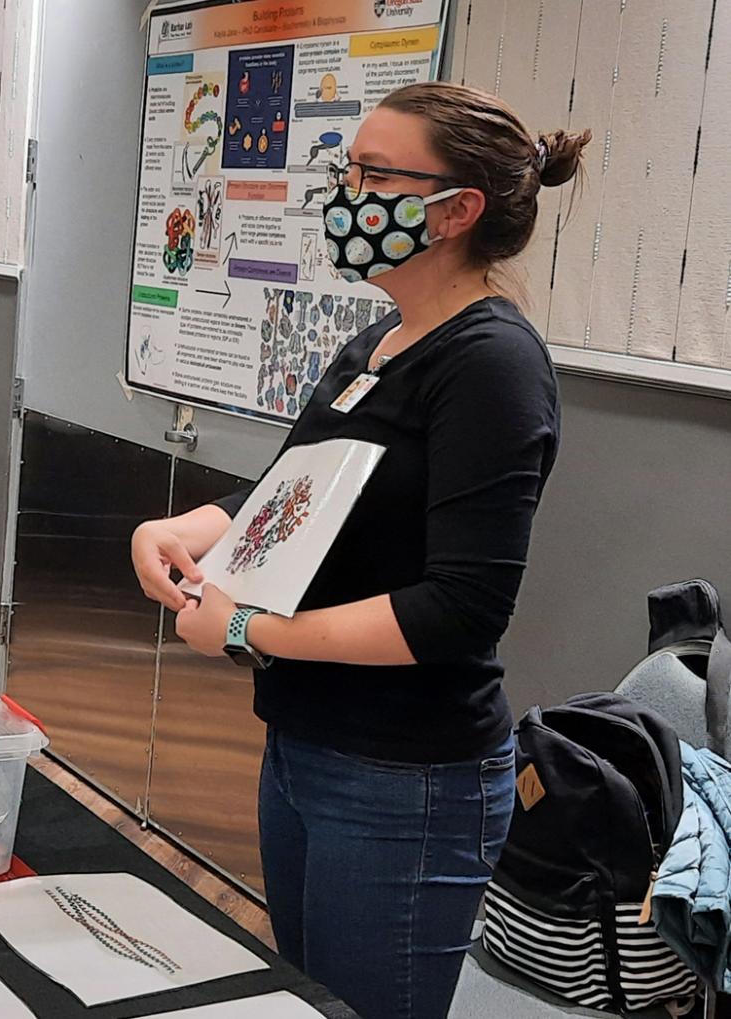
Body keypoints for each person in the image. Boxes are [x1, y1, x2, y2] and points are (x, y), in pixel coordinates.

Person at [130, 82, 589, 1019]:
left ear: (457, 210)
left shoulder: (492, 364)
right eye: (350, 170)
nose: (346, 195)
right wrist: (182, 530)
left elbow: (460, 610)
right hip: (304, 748)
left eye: (374, 175)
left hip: (404, 782)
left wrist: (250, 626)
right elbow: (283, 501)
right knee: (309, 1001)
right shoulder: (378, 340)